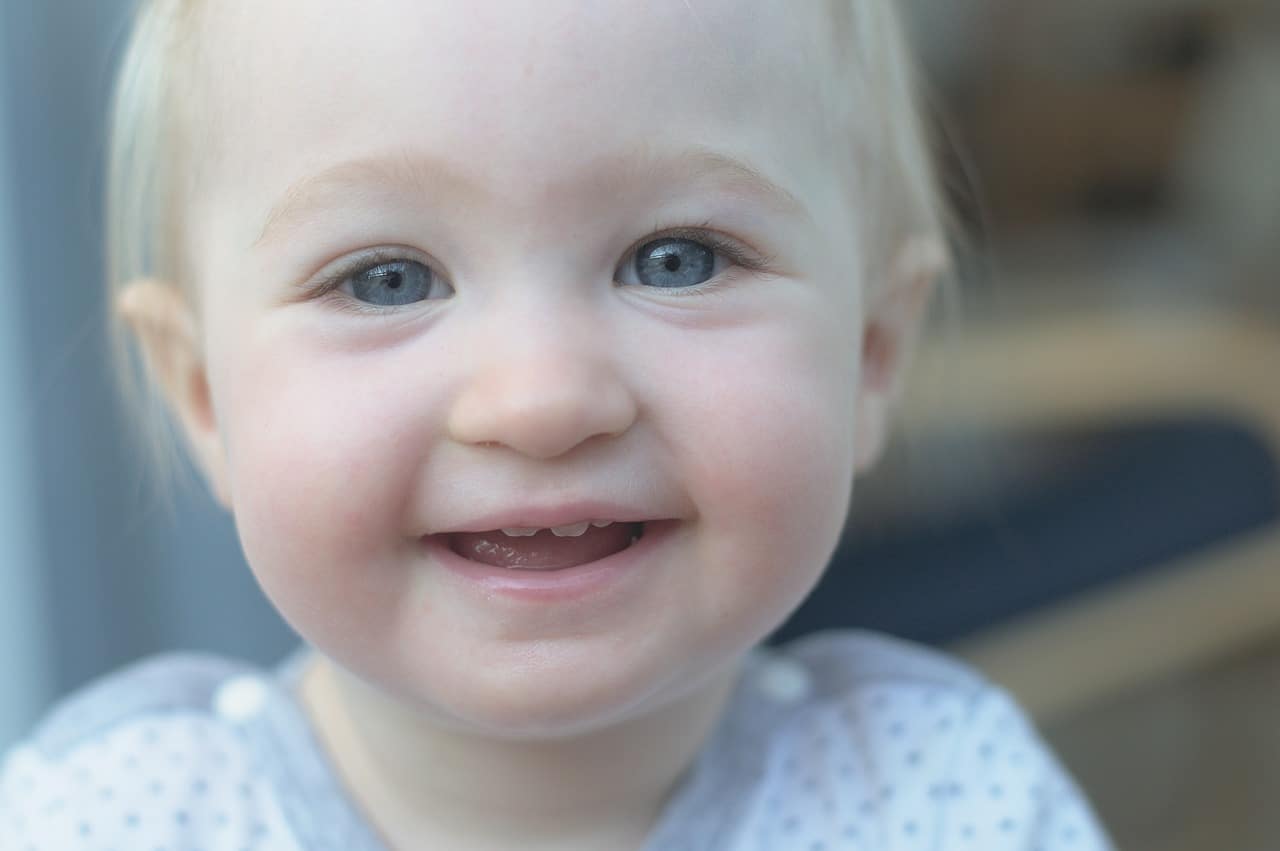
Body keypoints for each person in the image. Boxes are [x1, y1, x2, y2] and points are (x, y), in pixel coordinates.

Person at [0, 1, 1115, 848]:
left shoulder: (949, 799)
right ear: (202, 396)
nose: (539, 401)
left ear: (871, 354)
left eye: (675, 259)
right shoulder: (108, 820)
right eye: (387, 279)